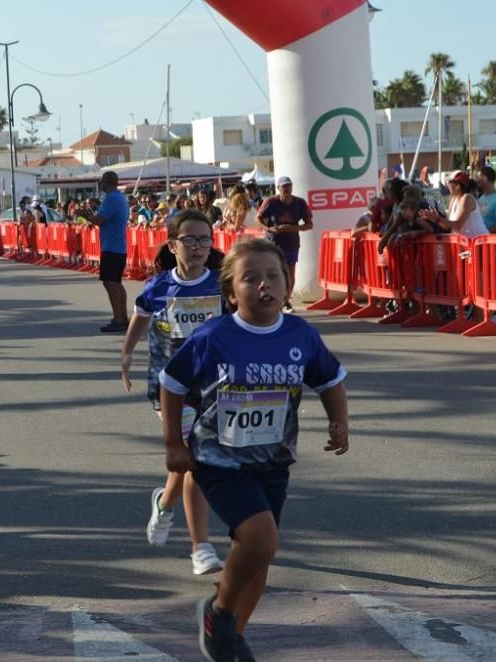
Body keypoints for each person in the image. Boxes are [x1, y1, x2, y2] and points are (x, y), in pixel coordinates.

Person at [159, 238, 348, 662]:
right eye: (250, 278)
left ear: (286, 285)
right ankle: (219, 612)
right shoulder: (214, 336)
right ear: (231, 294)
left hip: (273, 463)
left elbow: (331, 378)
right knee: (261, 539)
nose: (263, 284)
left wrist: (340, 422)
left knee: (260, 559)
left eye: (272, 276)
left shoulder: (301, 334)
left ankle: (229, 640)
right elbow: (171, 383)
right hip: (218, 459)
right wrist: (173, 442)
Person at [119, 210, 226, 576]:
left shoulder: (222, 285)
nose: (198, 247)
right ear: (172, 244)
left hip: (213, 386)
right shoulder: (159, 287)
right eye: (189, 240)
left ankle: (164, 506)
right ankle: (201, 548)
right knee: (194, 456)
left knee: (192, 457)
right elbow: (140, 317)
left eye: (204, 240)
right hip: (170, 387)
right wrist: (127, 352)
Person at [256, 176, 314, 309]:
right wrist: (268, 228)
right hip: (272, 244)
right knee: (273, 271)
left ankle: (285, 301)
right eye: (284, 187)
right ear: (278, 188)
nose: (287, 189)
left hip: (291, 244)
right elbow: (258, 217)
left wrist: (293, 228)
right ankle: (270, 298)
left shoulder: (300, 203)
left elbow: (310, 225)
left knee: (289, 273)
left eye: (289, 186)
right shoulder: (270, 201)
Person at [90, 171, 130, 332]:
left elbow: (98, 219)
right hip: (117, 246)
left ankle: (119, 319)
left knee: (111, 283)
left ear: (107, 182)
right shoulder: (119, 198)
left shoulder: (112, 198)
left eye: (102, 182)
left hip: (112, 247)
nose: (101, 185)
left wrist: (85, 215)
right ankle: (122, 317)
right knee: (116, 283)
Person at [419, 171, 489, 239]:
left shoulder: (467, 198)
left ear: (458, 186)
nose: (447, 185)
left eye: (449, 183)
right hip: (466, 245)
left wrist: (438, 218)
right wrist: (434, 219)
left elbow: (458, 225)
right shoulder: (453, 200)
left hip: (480, 244)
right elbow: (448, 227)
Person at [477, 166, 496, 234]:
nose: (477, 180)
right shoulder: (480, 199)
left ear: (484, 179)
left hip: (494, 243)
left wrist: (484, 233)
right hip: (482, 242)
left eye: (479, 177)